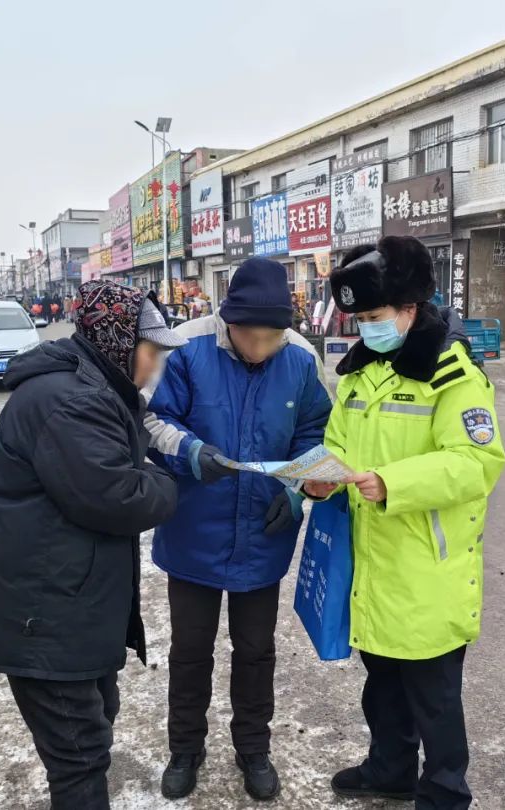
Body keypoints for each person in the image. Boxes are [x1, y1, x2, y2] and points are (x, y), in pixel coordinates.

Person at [0, 280, 186, 810]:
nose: (155, 365)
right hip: (46, 617)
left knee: (93, 725)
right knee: (79, 755)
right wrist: (165, 480)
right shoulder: (73, 401)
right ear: (118, 343)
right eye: (151, 351)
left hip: (65, 604)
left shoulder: (89, 387)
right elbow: (119, 497)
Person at [306, 236, 505, 810]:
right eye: (361, 319)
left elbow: (476, 462)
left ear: (410, 308)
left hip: (426, 564)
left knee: (434, 698)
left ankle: (444, 793)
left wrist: (393, 482)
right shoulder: (358, 374)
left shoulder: (452, 373)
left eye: (376, 316)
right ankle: (390, 770)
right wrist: (320, 476)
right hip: (373, 559)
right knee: (384, 685)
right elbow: (338, 443)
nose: (368, 328)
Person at [144, 257, 332, 802]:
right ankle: (185, 749)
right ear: (229, 321)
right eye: (251, 336)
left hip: (262, 534)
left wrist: (296, 491)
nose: (261, 348)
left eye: (272, 337)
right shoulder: (186, 347)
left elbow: (315, 432)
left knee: (255, 650)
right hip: (193, 532)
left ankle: (253, 748)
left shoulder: (300, 357)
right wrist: (190, 451)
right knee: (190, 649)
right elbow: (151, 419)